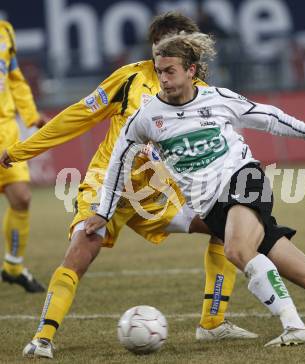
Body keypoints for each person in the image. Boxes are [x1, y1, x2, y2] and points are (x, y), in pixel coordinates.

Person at [85, 31, 305, 348]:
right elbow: (118, 164)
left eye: (170, 71)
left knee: (236, 250)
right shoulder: (146, 118)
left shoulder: (217, 99)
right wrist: (102, 211)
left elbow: (267, 116)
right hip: (212, 207)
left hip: (243, 178)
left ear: (191, 71)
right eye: (159, 72)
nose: (163, 79)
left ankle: (294, 327)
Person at [0, 13, 256, 359]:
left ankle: (212, 324)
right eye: (158, 46)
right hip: (107, 186)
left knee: (226, 227)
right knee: (81, 251)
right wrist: (21, 150)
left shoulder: (205, 96)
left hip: (154, 196)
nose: (162, 54)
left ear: (191, 55)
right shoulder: (130, 79)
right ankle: (42, 338)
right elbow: (78, 116)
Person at [0, 20, 48, 293]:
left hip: (5, 130)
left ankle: (13, 267)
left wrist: (31, 117)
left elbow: (15, 80)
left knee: (21, 197)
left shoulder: (5, 31)